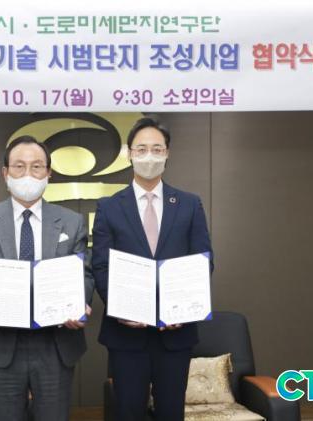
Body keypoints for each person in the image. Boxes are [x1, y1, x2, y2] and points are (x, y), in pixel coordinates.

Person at [0, 135, 94, 421]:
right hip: (1, 345)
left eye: (37, 166)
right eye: (19, 166)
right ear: (5, 173)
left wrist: (80, 303)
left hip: (56, 345)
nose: (28, 174)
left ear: (49, 173)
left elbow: (85, 273)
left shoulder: (71, 221)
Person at [92, 115, 214, 421]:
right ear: (129, 153)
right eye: (142, 149)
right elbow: (101, 266)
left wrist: (182, 308)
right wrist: (121, 308)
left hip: (176, 335)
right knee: (128, 412)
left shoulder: (189, 204)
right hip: (126, 335)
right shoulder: (109, 207)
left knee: (171, 412)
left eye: (157, 149)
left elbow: (203, 260)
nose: (149, 156)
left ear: (167, 153)